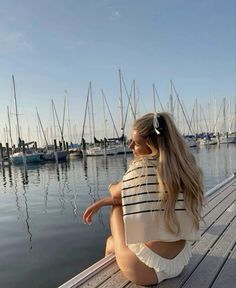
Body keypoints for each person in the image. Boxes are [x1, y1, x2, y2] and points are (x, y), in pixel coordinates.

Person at [83, 112, 204, 285]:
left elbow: (116, 193)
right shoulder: (183, 169)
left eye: (136, 143)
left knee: (117, 208)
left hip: (145, 271)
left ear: (152, 146)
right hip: (180, 262)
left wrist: (104, 200)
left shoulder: (141, 169)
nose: (131, 146)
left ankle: (113, 253)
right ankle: (114, 247)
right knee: (114, 239)